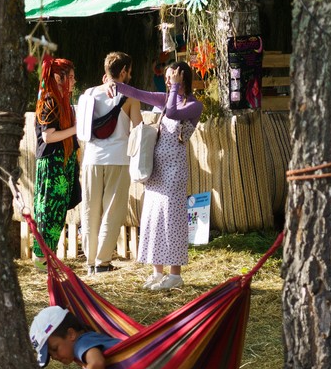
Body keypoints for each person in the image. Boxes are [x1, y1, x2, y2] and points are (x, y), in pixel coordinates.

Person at [108, 60, 202, 291]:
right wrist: (115, 84)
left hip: (174, 171)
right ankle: (157, 271)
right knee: (154, 218)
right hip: (156, 170)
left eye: (171, 77)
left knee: (172, 220)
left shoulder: (194, 105)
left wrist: (174, 88)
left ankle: (175, 274)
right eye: (168, 77)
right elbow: (138, 93)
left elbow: (173, 112)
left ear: (182, 77)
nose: (168, 80)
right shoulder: (167, 97)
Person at [74, 53, 140, 274]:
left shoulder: (89, 93)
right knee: (112, 211)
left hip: (91, 159)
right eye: (129, 71)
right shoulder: (130, 96)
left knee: (90, 210)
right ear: (123, 71)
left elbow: (82, 128)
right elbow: (138, 128)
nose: (131, 75)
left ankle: (90, 261)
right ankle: (102, 262)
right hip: (118, 159)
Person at [31, 58, 81, 261]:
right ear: (59, 78)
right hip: (52, 164)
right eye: (71, 77)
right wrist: (76, 129)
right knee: (48, 212)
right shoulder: (50, 101)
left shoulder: (62, 102)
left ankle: (47, 258)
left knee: (58, 212)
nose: (74, 81)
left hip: (62, 164)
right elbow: (48, 136)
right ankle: (42, 258)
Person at [29, 305, 118, 369]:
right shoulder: (87, 339)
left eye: (54, 349)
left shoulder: (82, 343)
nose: (54, 357)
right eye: (50, 354)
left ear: (71, 334)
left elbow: (96, 362)